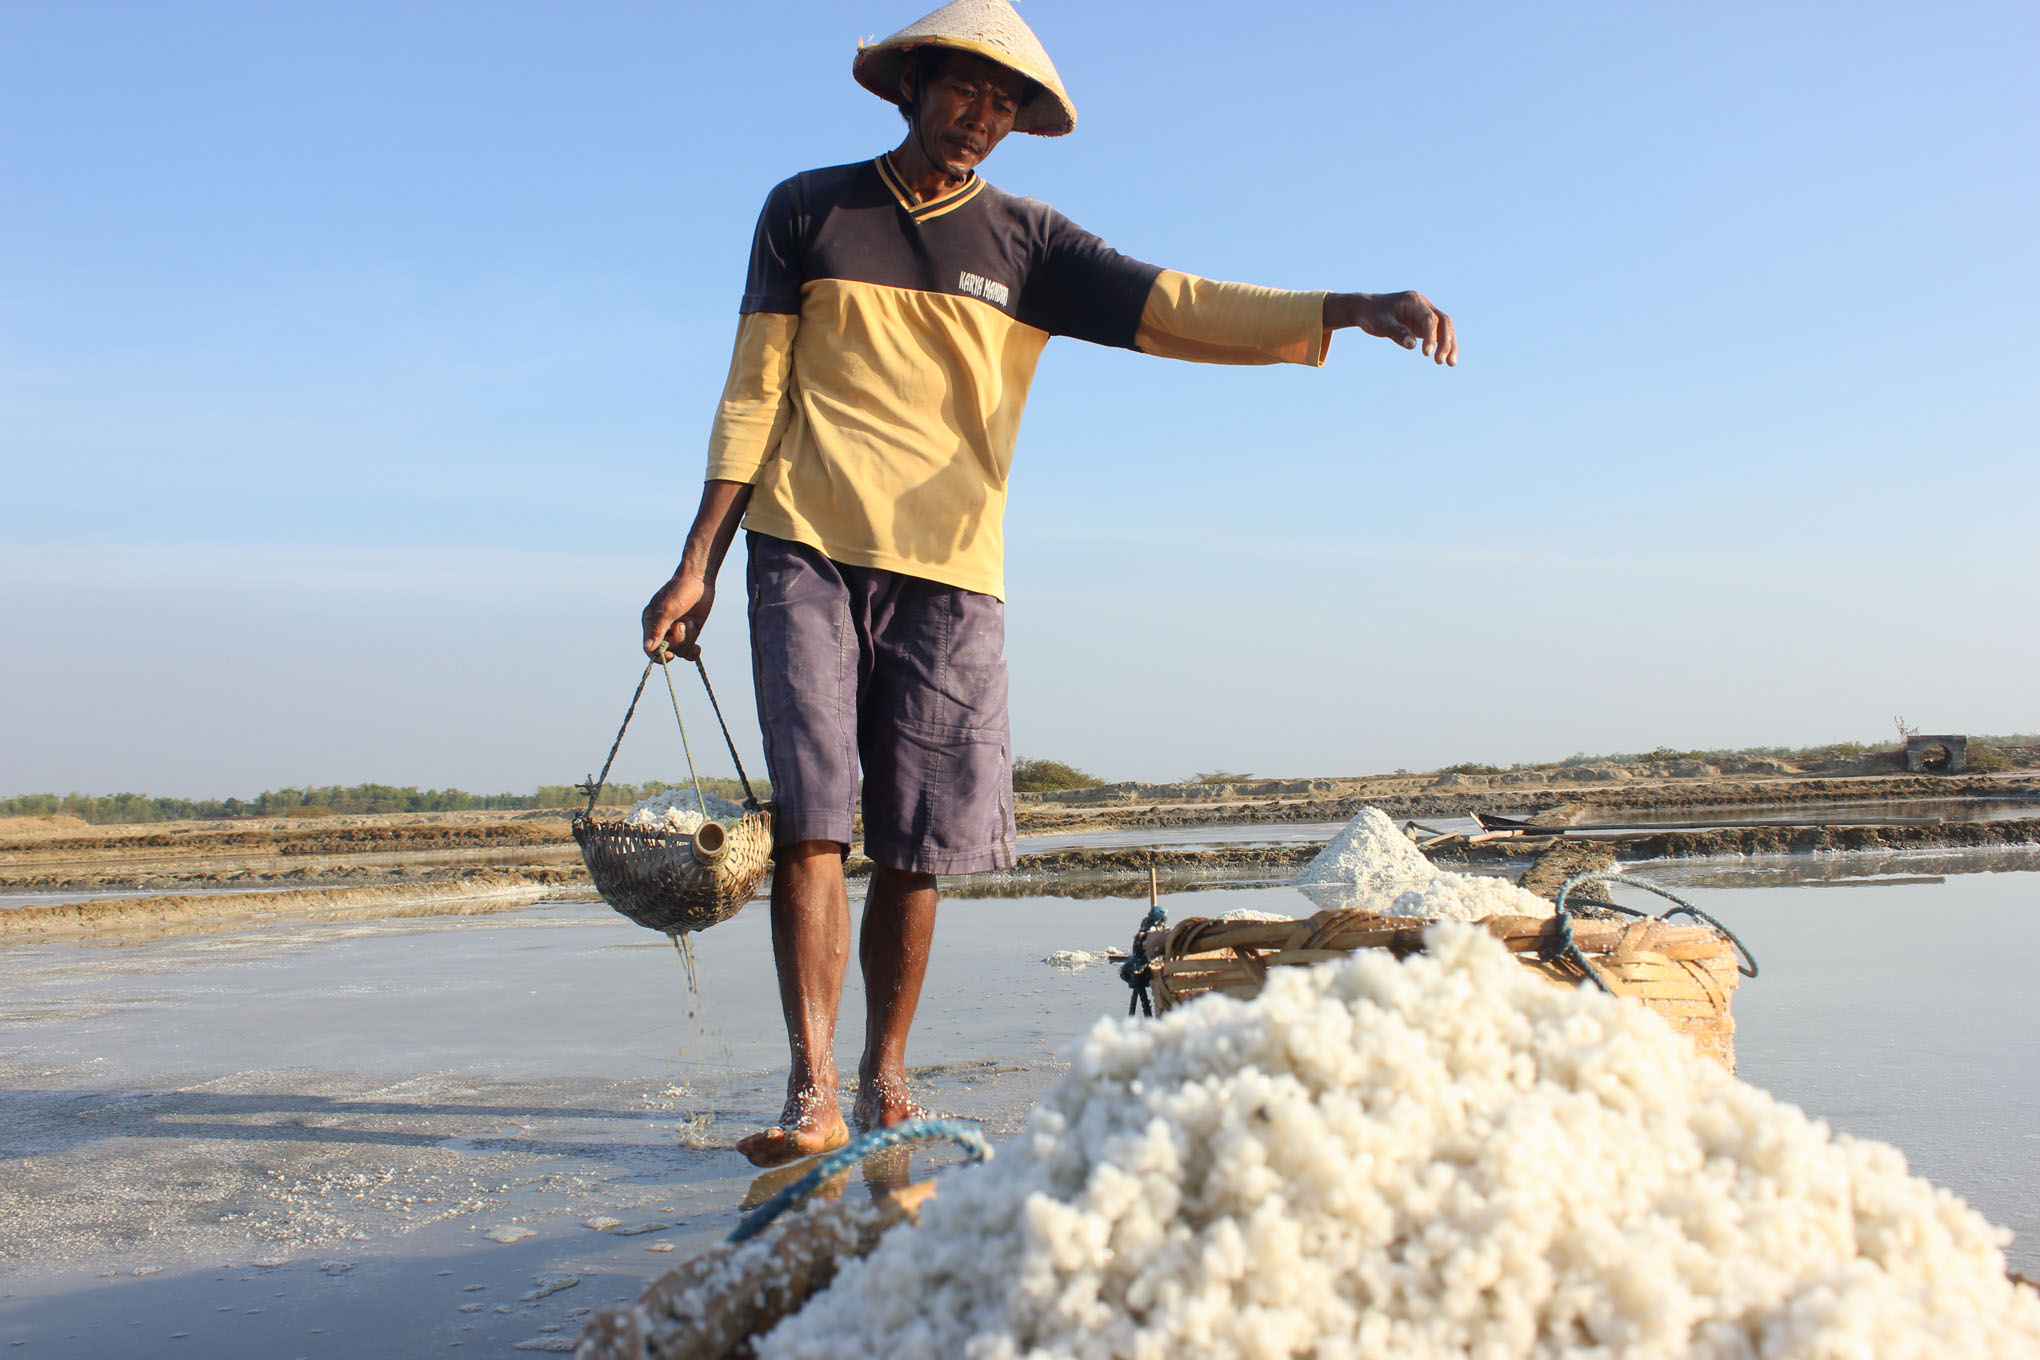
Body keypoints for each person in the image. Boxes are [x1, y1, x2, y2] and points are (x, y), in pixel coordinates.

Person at [640, 0, 1456, 1168]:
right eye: (965, 90)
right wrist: (696, 561)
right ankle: (811, 1084)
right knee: (815, 819)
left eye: (1005, 103)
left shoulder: (1028, 243)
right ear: (913, 82)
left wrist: (1343, 307)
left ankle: (886, 1078)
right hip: (804, 546)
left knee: (915, 840)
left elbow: (1176, 304)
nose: (981, 118)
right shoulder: (809, 208)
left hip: (952, 570)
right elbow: (752, 392)